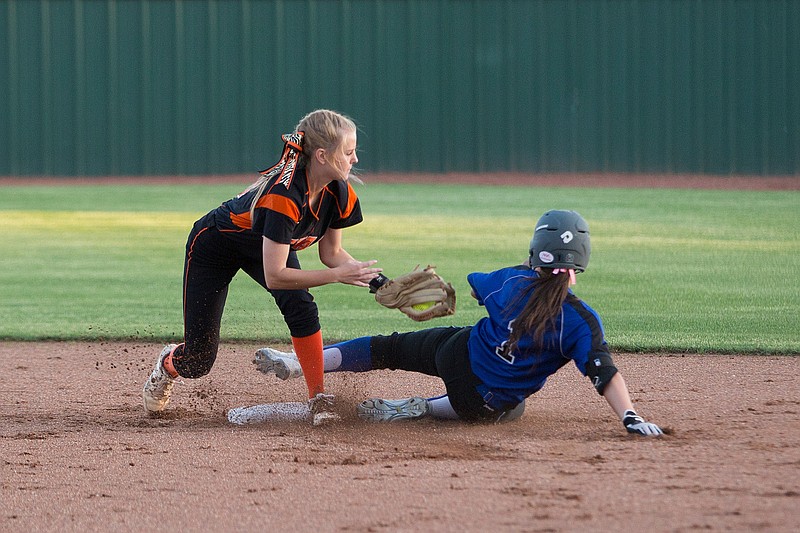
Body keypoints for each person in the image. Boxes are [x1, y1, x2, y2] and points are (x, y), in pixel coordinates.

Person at [254, 209, 663, 436]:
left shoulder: (513, 279)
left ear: (535, 251)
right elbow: (604, 373)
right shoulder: (580, 321)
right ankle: (415, 409)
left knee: (387, 348)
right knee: (511, 409)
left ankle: (297, 362)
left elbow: (473, 289)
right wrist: (630, 416)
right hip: (478, 399)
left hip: (455, 351)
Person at [142, 109, 382, 426]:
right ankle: (168, 363)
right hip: (215, 246)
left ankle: (319, 399)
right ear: (322, 155)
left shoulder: (339, 192)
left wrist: (381, 283)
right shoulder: (285, 196)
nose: (354, 160)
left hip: (267, 244)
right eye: (348, 152)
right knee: (199, 361)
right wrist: (338, 277)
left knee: (301, 306)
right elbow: (277, 275)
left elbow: (332, 254)